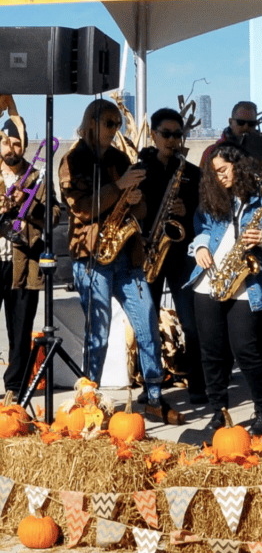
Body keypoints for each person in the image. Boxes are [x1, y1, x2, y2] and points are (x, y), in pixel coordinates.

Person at [59, 100, 181, 424]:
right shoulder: (72, 161)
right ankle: (90, 401)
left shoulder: (119, 158)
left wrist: (137, 201)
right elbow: (82, 208)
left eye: (117, 124)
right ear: (91, 122)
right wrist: (120, 187)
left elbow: (138, 212)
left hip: (127, 254)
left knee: (148, 324)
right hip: (92, 257)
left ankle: (154, 396)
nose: (115, 130)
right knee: (97, 333)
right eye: (109, 123)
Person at [187, 142, 262, 437]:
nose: (218, 177)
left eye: (223, 170)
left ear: (238, 165)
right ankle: (218, 412)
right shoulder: (213, 196)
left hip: (246, 283)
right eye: (213, 173)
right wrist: (201, 246)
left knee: (246, 350)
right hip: (209, 280)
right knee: (211, 353)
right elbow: (202, 227)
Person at [138, 108, 205, 404]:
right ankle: (150, 385)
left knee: (191, 324)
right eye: (166, 134)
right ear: (153, 135)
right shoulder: (139, 169)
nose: (173, 140)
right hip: (149, 252)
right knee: (148, 323)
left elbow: (206, 216)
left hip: (180, 255)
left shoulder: (192, 173)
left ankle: (198, 384)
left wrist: (186, 212)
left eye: (178, 134)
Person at [0, 116, 58, 396]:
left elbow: (55, 214)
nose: (10, 147)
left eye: (16, 143)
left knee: (21, 330)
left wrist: (31, 210)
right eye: (5, 142)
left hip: (23, 262)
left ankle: (15, 389)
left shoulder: (38, 176)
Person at [200, 101, 260, 170]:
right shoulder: (211, 151)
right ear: (230, 122)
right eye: (240, 122)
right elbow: (202, 179)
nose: (246, 127)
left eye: (251, 123)